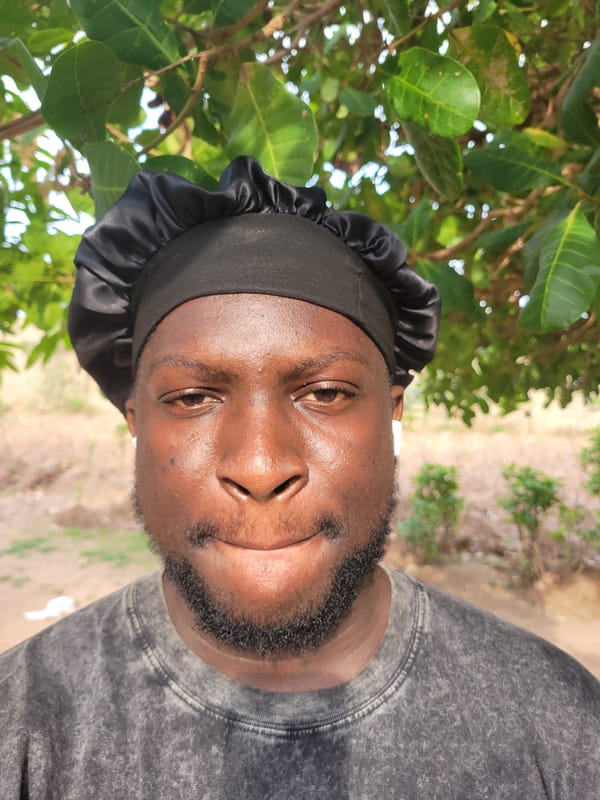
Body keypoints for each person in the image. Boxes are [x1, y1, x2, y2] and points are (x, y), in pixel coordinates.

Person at [0, 157, 598, 799]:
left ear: (392, 415)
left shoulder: (559, 726)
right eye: (193, 398)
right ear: (136, 421)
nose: (260, 467)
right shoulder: (25, 728)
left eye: (326, 393)